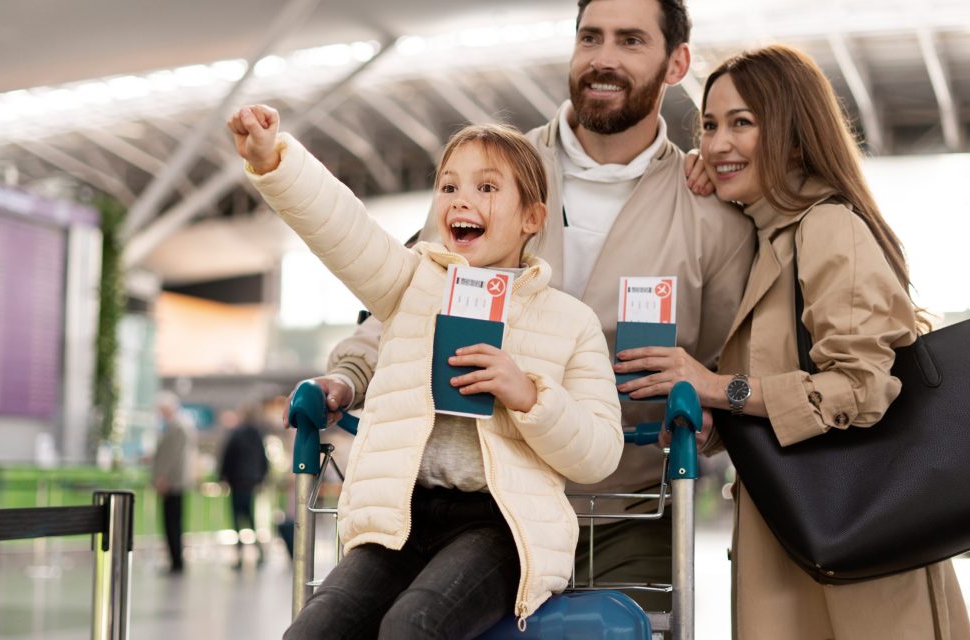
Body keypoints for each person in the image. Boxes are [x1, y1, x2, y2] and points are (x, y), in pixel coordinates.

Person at [292, 0, 755, 610]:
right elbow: (412, 296)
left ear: (677, 63)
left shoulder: (712, 219)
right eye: (590, 37)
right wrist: (350, 377)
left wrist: (709, 408)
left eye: (631, 41)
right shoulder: (493, 173)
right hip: (478, 506)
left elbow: (730, 365)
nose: (604, 58)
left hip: (627, 516)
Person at [229, 105, 624, 638]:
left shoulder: (569, 322)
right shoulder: (412, 285)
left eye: (487, 188)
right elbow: (344, 229)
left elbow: (600, 451)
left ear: (532, 218)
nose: (461, 199)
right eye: (448, 186)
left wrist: (529, 396)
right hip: (401, 518)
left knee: (412, 627)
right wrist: (275, 159)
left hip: (501, 527)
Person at [644, 44, 970, 638]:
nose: (717, 143)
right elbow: (779, 382)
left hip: (858, 553)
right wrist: (717, 413)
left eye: (742, 123)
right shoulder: (771, 237)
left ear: (794, 137)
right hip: (802, 534)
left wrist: (717, 385)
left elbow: (858, 389)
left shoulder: (827, 227)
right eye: (710, 125)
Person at [218, 407, 270, 569]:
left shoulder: (236, 434)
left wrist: (222, 476)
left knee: (237, 519)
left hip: (237, 481)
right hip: (251, 482)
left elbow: (227, 457)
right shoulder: (257, 435)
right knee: (251, 518)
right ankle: (259, 552)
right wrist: (261, 478)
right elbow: (264, 458)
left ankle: (240, 556)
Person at [151, 390, 196, 575]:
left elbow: (172, 456)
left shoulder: (177, 426)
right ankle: (174, 560)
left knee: (172, 523)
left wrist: (162, 477)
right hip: (174, 481)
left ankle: (176, 562)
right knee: (172, 523)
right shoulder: (179, 425)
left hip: (173, 483)